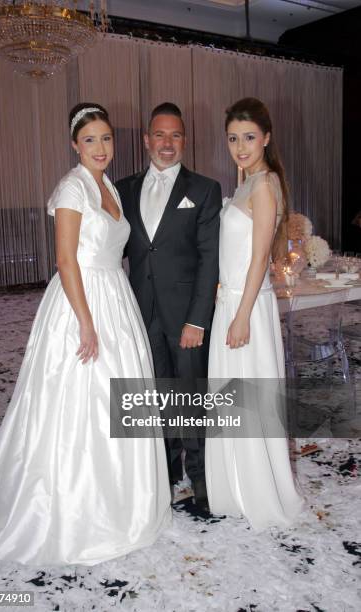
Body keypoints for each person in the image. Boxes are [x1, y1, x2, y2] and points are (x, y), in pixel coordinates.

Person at [0, 103, 171, 565]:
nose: (101, 148)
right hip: (81, 301)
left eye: (106, 139)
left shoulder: (110, 188)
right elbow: (65, 260)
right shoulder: (71, 188)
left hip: (115, 297)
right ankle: (76, 503)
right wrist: (85, 320)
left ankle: (121, 496)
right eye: (90, 140)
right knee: (82, 399)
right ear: (74, 145)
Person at [116, 103, 221, 509]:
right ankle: (162, 472)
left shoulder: (204, 189)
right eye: (159, 135)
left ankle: (200, 477)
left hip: (186, 316)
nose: (166, 143)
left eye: (175, 135)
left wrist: (198, 319)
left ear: (184, 140)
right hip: (140, 311)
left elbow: (209, 258)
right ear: (146, 139)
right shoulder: (123, 189)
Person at [205, 97, 304, 530]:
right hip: (230, 301)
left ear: (265, 138)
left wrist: (241, 315)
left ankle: (259, 490)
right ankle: (236, 486)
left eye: (248, 137)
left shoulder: (265, 184)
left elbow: (261, 256)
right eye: (232, 138)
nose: (240, 146)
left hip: (247, 307)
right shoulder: (245, 181)